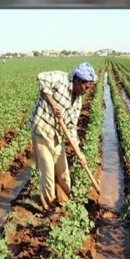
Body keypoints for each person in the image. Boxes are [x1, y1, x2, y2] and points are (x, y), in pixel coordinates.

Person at [29, 62, 97, 216]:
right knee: (47, 172)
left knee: (63, 170)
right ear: (79, 80)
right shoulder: (61, 79)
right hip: (41, 129)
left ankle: (66, 201)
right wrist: (52, 103)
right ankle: (50, 209)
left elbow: (71, 128)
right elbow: (41, 78)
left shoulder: (78, 101)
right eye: (86, 87)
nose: (87, 91)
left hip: (56, 132)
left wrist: (79, 152)